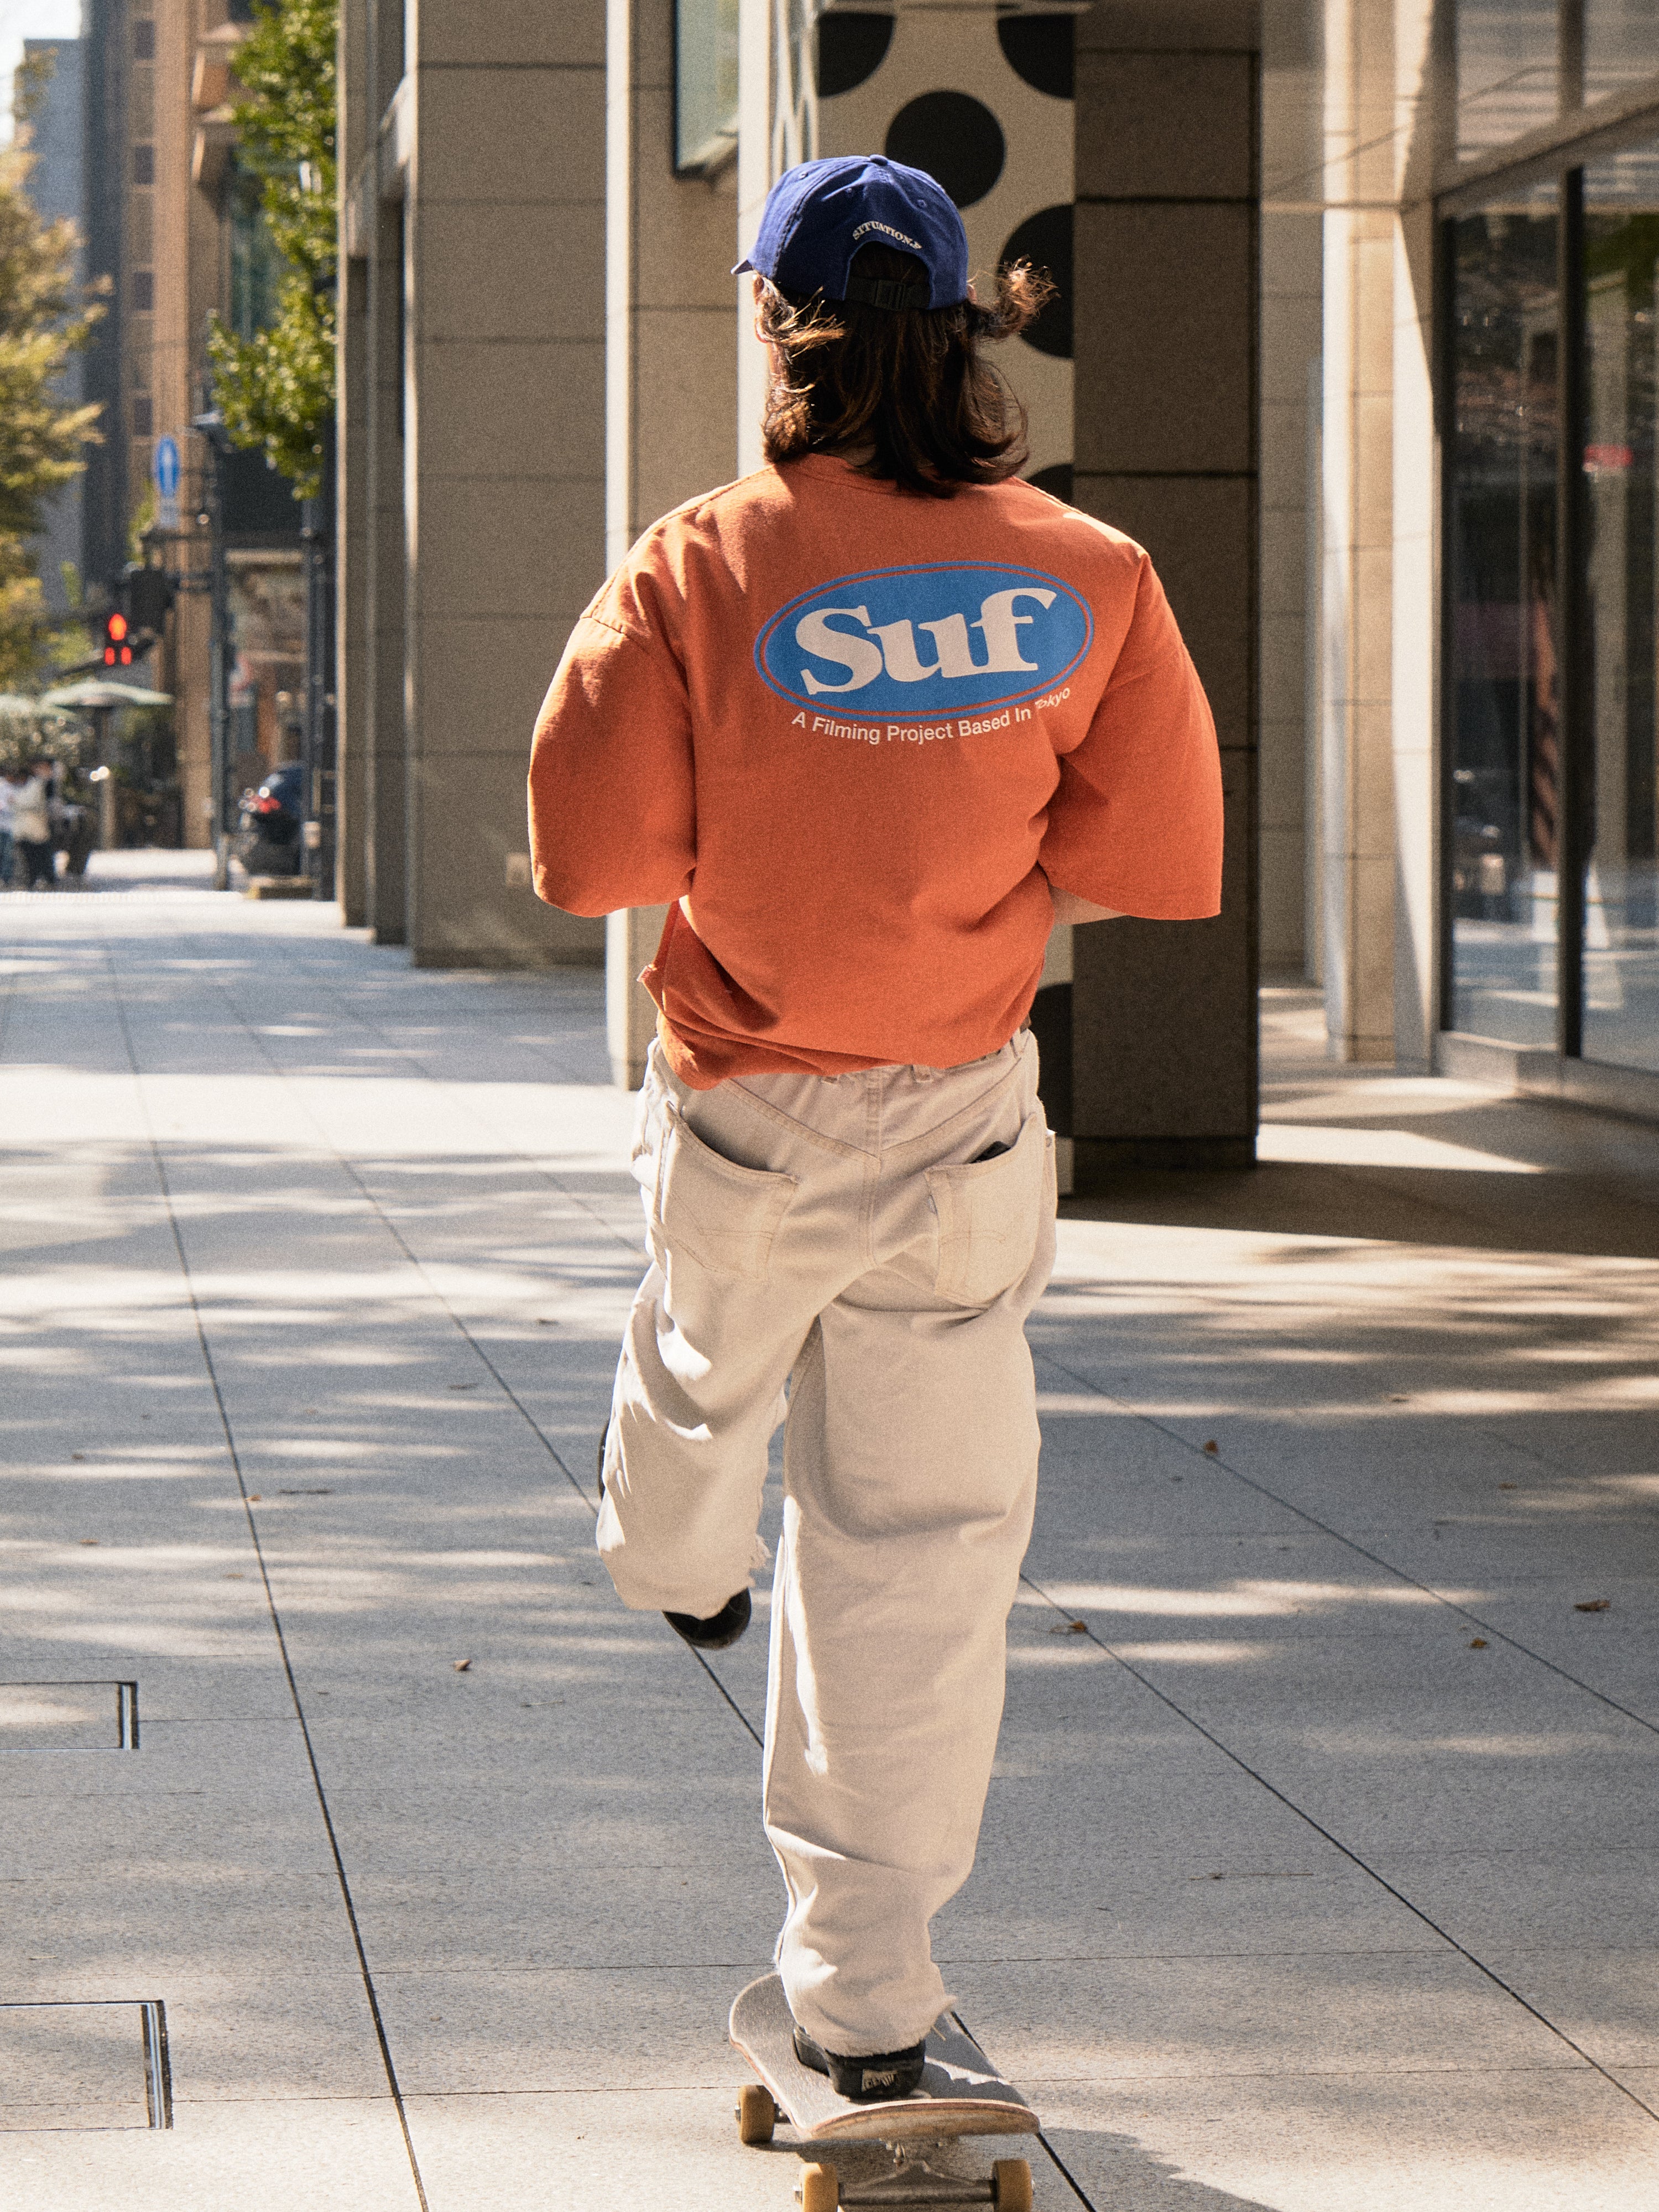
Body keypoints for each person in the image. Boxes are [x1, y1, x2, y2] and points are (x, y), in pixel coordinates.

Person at [528, 155, 1222, 2102]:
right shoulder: (1093, 577)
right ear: (967, 334)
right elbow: (1158, 861)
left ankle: (670, 1558)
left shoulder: (692, 565)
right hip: (964, 1124)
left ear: (775, 325)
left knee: (694, 1369)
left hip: (748, 1092)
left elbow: (593, 856)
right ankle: (867, 2007)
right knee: (914, 1566)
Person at [12, 757, 58, 891]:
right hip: (26, 828)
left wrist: (16, 802)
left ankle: (47, 878)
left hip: (38, 827)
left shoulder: (41, 784)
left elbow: (36, 803)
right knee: (31, 855)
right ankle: (35, 878)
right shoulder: (32, 784)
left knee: (42, 853)